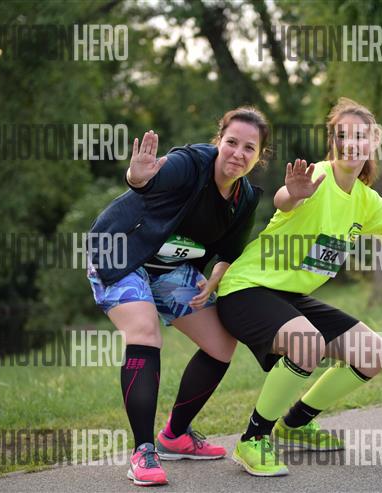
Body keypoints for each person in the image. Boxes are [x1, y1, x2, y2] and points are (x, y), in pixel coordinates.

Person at [216, 97, 382, 477]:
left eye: (360, 136)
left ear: (374, 143)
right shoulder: (316, 177)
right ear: (333, 141)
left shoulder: (369, 203)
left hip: (289, 297)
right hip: (246, 288)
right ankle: (253, 439)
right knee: (308, 343)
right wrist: (293, 193)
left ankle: (296, 424)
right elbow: (284, 200)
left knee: (373, 353)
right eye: (342, 135)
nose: (351, 143)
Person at [86, 107, 267, 486]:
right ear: (219, 141)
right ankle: (143, 452)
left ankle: (175, 436)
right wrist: (137, 177)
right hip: (120, 252)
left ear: (259, 155)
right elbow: (146, 180)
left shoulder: (245, 198)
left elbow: (229, 251)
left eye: (249, 148)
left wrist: (214, 280)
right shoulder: (191, 163)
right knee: (144, 332)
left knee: (221, 344)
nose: (238, 153)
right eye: (232, 142)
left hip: (168, 270)